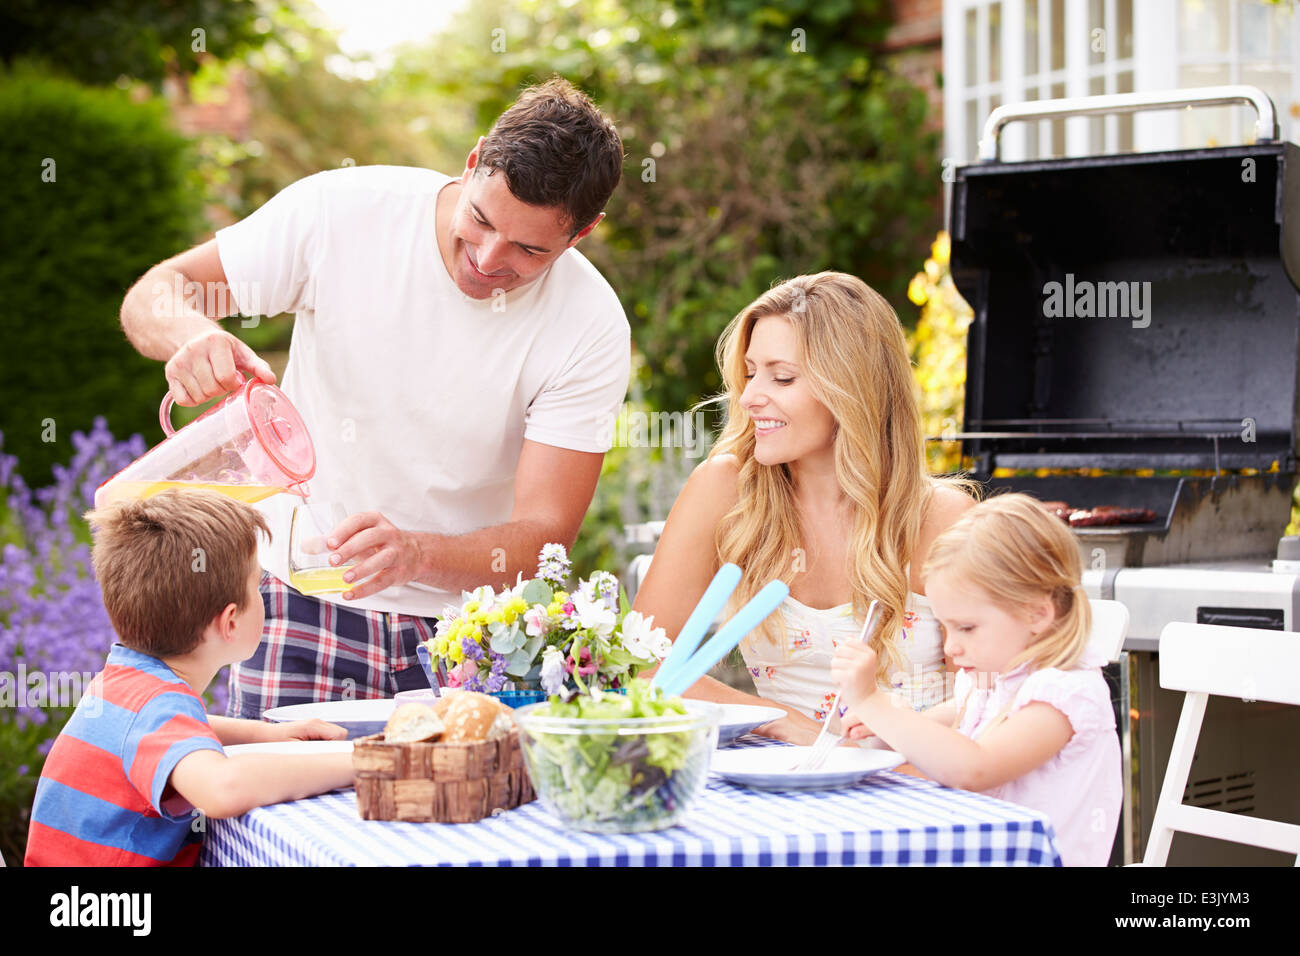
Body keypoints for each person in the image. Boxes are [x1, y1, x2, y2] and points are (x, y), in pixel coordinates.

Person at [117, 77, 630, 718]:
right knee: (275, 813)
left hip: (468, 636)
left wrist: (417, 553)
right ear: (472, 164)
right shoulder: (342, 214)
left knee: (457, 814)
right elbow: (157, 293)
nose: (489, 259)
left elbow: (545, 537)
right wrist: (191, 335)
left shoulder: (589, 324)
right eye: (481, 219)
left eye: (530, 249)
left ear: (582, 234)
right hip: (299, 604)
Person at [632, 272, 976, 744]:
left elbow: (986, 701)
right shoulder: (725, 492)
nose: (750, 396)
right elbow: (640, 667)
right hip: (785, 787)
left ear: (851, 389)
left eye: (783, 376)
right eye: (751, 372)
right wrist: (784, 722)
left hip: (920, 785)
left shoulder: (943, 518)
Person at [25, 491, 352, 866]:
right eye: (258, 586)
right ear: (230, 622)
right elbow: (223, 788)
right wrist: (359, 762)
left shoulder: (125, 683)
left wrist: (268, 734)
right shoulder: (158, 705)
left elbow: (172, 727)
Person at [831, 492, 1122, 867]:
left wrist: (874, 702)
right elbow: (953, 723)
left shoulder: (1064, 696)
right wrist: (889, 720)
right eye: (945, 627)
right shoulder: (995, 677)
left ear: (1037, 614)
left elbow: (974, 768)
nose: (951, 648)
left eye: (966, 628)